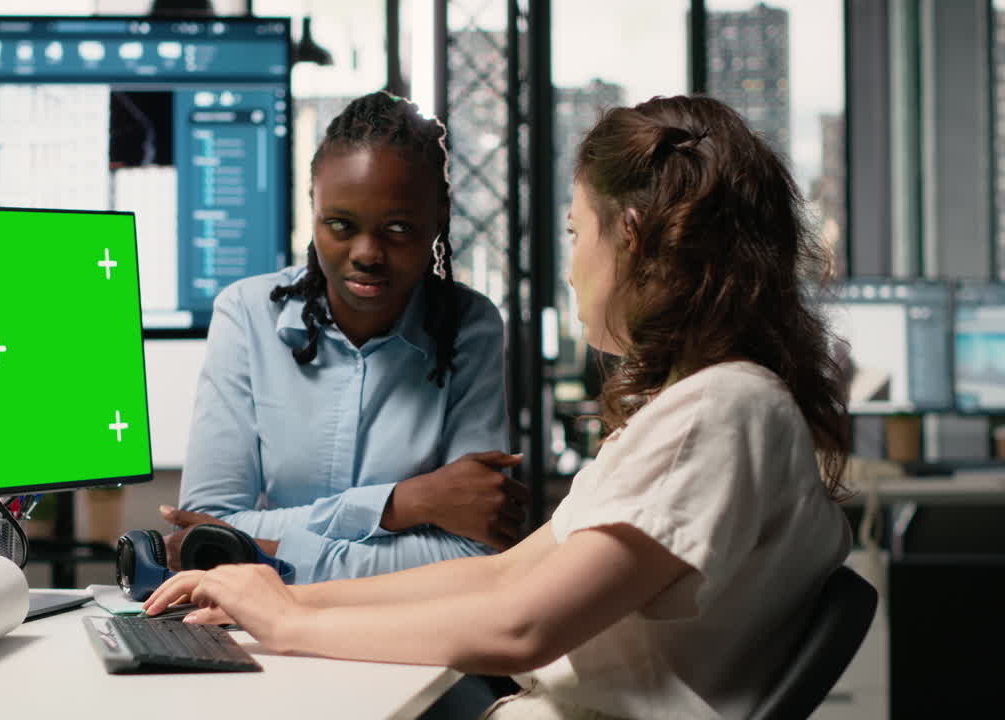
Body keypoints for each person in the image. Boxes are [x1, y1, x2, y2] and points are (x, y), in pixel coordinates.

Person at [145, 95, 856, 720]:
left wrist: (290, 621)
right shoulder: (705, 407)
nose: (571, 265)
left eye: (576, 234)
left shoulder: (720, 412)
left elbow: (522, 629)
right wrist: (289, 602)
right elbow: (502, 573)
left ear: (632, 237)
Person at [159, 91, 526, 584]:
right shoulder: (247, 315)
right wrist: (403, 504)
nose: (367, 253)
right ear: (313, 207)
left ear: (438, 218)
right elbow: (206, 529)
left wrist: (264, 553)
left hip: (410, 637)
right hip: (267, 630)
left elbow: (475, 554)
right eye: (340, 225)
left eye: (398, 228)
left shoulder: (468, 325)